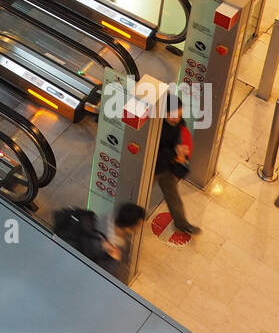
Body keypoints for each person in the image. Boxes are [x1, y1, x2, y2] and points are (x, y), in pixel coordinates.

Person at [53, 203, 145, 270]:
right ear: (128, 228)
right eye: (139, 225)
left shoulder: (106, 219)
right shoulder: (101, 244)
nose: (139, 228)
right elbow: (93, 271)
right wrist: (114, 260)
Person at [155, 101, 200, 236]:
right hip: (152, 164)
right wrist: (175, 153)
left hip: (165, 167)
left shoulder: (179, 125)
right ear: (164, 112)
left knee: (173, 196)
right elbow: (156, 151)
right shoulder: (156, 126)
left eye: (179, 115)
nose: (176, 119)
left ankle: (181, 223)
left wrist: (180, 154)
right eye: (173, 115)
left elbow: (179, 140)